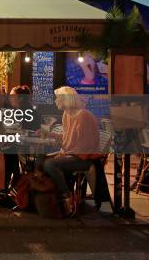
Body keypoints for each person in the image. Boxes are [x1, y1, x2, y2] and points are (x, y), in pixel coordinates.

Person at [42, 86, 100, 215]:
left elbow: (87, 145)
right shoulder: (66, 114)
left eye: (58, 98)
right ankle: (55, 197)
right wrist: (50, 135)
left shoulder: (84, 116)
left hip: (84, 158)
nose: (56, 101)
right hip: (72, 154)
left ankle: (67, 196)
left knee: (49, 164)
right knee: (41, 160)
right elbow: (67, 138)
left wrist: (64, 153)